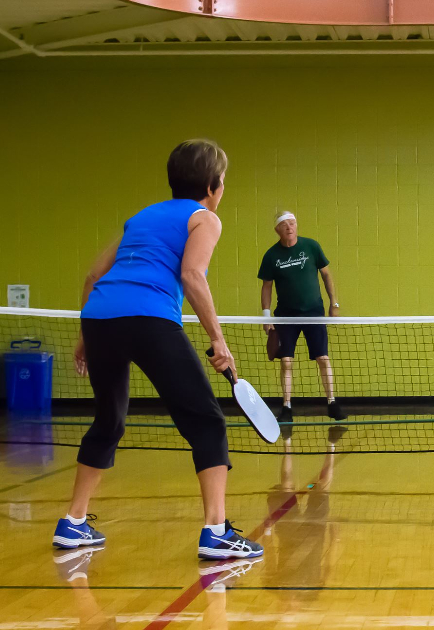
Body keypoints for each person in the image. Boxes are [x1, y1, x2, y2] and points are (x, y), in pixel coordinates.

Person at [53, 139, 263, 560]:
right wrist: (218, 340)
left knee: (109, 420)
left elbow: (94, 275)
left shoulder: (141, 217)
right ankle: (216, 531)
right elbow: (191, 275)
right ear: (214, 184)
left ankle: (73, 523)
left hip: (100, 319)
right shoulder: (204, 218)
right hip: (148, 318)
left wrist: (84, 337)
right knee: (206, 421)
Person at [258, 210, 347, 427]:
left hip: (314, 313)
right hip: (285, 317)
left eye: (293, 223)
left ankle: (332, 403)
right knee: (286, 362)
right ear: (277, 230)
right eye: (285, 224)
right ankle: (287, 407)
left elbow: (326, 275)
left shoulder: (311, 247)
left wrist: (333, 303)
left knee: (323, 358)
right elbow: (267, 286)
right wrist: (266, 316)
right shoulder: (271, 256)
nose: (289, 226)